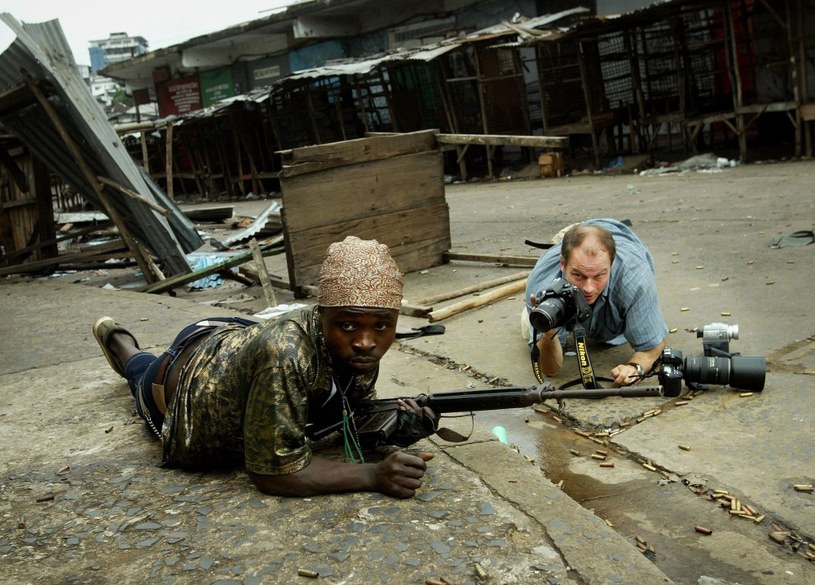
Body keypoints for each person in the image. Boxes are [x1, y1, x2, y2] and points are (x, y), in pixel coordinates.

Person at [92, 236, 438, 499]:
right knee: (140, 372)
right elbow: (274, 473)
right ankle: (120, 341)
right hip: (179, 380)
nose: (365, 341)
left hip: (232, 336)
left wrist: (398, 426)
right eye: (348, 325)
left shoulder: (355, 348)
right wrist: (373, 476)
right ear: (321, 317)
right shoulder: (286, 354)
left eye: (381, 326)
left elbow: (348, 414)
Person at [524, 219, 669, 386]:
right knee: (534, 324)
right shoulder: (541, 284)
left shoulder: (635, 278)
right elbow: (550, 370)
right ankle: (574, 231)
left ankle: (580, 229)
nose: (589, 288)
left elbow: (652, 346)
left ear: (611, 265)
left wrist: (635, 368)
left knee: (632, 323)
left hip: (624, 242)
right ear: (562, 264)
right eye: (578, 275)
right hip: (564, 255)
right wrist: (549, 334)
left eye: (599, 275)